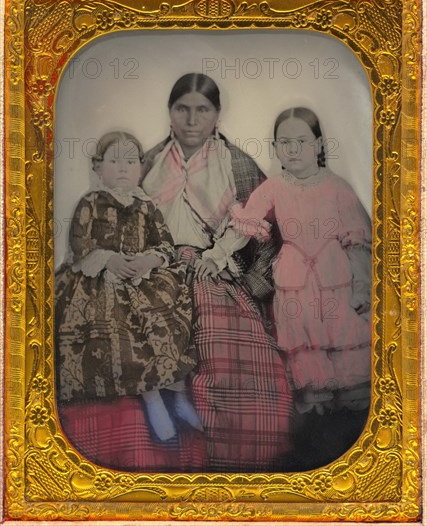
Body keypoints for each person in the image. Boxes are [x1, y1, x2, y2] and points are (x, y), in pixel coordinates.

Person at [142, 73, 293, 472]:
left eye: (202, 110)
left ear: (217, 116)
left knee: (238, 354)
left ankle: (247, 465)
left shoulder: (237, 164)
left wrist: (249, 283)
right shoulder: (147, 162)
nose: (192, 120)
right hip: (157, 270)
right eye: (182, 109)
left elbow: (268, 235)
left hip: (217, 271)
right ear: (170, 114)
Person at [230, 107, 371, 467]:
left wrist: (361, 289)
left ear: (318, 144)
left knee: (344, 352)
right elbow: (249, 219)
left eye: (302, 142)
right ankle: (314, 440)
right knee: (306, 352)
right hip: (294, 282)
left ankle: (353, 438)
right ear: (276, 148)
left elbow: (357, 242)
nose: (293, 150)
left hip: (336, 280)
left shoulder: (337, 187)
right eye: (284, 143)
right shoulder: (275, 186)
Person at [55, 131, 203, 444]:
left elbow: (164, 242)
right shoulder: (91, 202)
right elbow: (80, 245)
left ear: (140, 168)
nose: (123, 168)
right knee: (118, 319)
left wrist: (150, 260)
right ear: (98, 167)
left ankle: (179, 397)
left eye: (130, 161)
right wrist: (107, 260)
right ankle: (151, 400)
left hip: (141, 275)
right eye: (114, 161)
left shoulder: (146, 206)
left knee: (171, 310)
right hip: (101, 278)